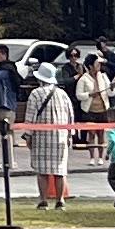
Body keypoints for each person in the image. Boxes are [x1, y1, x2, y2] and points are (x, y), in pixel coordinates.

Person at [23, 63, 76, 208]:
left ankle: (43, 200)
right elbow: (70, 115)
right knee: (60, 171)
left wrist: (28, 135)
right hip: (60, 136)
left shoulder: (35, 94)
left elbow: (30, 117)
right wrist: (70, 134)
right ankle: (60, 200)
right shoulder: (62, 94)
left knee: (42, 171)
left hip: (41, 136)